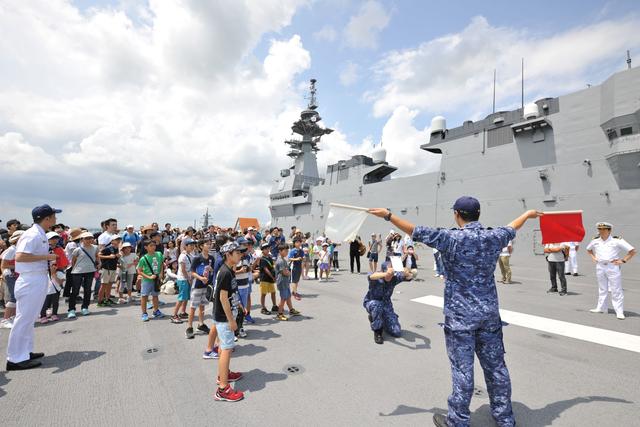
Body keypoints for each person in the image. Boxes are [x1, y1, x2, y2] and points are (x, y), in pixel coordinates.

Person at [369, 197, 541, 427]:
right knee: (497, 368)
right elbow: (512, 227)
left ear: (457, 214)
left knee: (463, 371)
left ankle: (458, 421)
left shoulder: (450, 238)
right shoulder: (494, 236)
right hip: (489, 314)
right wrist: (528, 214)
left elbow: (416, 231)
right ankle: (505, 418)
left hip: (460, 318)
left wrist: (388, 216)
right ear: (478, 214)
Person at [6, 204, 61, 371]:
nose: (55, 218)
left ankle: (25, 352)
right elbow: (20, 257)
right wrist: (47, 256)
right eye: (53, 216)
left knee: (29, 319)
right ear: (46, 218)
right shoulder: (32, 235)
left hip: (35, 278)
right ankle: (15, 358)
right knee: (23, 320)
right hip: (30, 280)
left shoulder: (38, 233)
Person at [213, 242, 245, 402]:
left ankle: (223, 375)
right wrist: (231, 320)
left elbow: (230, 293)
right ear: (228, 254)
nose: (240, 255)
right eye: (237, 253)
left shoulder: (229, 271)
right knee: (226, 349)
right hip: (225, 317)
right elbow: (222, 298)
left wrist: (238, 304)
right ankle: (223, 389)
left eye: (240, 253)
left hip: (225, 315)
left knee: (223, 348)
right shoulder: (225, 272)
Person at [586, 222, 636, 320]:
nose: (601, 231)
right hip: (600, 266)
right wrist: (593, 257)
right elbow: (588, 249)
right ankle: (601, 308)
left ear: (609, 230)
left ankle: (619, 311)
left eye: (604, 229)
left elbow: (632, 251)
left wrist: (623, 260)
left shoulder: (617, 240)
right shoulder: (595, 240)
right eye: (599, 229)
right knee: (602, 288)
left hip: (612, 266)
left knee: (616, 289)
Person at [364, 263, 412, 344]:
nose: (390, 276)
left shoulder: (394, 278)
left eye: (392, 274)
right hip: (372, 302)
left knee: (397, 332)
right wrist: (386, 273)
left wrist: (406, 272)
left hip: (386, 305)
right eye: (388, 274)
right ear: (383, 271)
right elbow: (371, 276)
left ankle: (379, 320)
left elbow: (410, 276)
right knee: (377, 305)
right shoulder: (377, 277)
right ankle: (378, 331)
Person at [185, 240, 213, 339]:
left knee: (202, 306)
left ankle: (201, 324)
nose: (210, 245)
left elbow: (212, 272)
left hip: (206, 286)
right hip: (197, 285)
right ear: (201, 246)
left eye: (210, 244)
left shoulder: (211, 258)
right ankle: (189, 327)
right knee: (193, 307)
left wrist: (211, 270)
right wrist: (201, 278)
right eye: (207, 244)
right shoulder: (197, 258)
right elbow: (192, 272)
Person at [39, 232, 68, 323]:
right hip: (44, 273)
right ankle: (43, 315)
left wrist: (58, 272)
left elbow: (64, 263)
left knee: (56, 295)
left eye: (56, 238)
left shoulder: (59, 249)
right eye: (52, 238)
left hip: (57, 272)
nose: (54, 240)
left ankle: (54, 313)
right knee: (44, 297)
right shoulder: (42, 249)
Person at [69, 231, 99, 318]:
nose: (89, 240)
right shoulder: (77, 250)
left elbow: (97, 256)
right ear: (82, 239)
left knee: (88, 290)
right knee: (75, 290)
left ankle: (85, 307)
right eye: (87, 238)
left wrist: (99, 263)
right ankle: (71, 309)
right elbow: (73, 261)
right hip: (77, 272)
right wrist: (74, 269)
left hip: (90, 271)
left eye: (91, 238)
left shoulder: (95, 247)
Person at [1, 230, 25, 329]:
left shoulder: (17, 249)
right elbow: (4, 264)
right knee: (13, 296)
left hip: (14, 274)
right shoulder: (12, 249)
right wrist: (18, 266)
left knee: (17, 296)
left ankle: (12, 317)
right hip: (10, 275)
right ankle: (5, 319)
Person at [137, 240, 165, 322]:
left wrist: (161, 274)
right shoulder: (143, 258)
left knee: (155, 295)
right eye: (151, 245)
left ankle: (156, 311)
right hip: (146, 280)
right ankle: (144, 313)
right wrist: (148, 277)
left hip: (156, 279)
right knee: (144, 296)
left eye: (154, 245)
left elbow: (162, 264)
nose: (153, 247)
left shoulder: (159, 254)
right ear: (146, 247)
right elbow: (139, 271)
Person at [171, 238, 195, 324]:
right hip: (183, 279)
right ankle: (174, 315)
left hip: (187, 279)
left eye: (193, 245)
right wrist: (189, 279)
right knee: (181, 298)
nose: (192, 247)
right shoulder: (183, 256)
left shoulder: (190, 255)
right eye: (190, 245)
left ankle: (183, 312)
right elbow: (183, 269)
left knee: (185, 297)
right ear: (185, 246)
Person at [275, 244, 301, 321]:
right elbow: (285, 272)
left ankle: (291, 310)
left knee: (288, 296)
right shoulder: (280, 261)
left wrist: (288, 272)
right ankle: (279, 314)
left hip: (285, 282)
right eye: (285, 251)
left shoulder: (283, 259)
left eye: (287, 251)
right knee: (283, 298)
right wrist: (289, 273)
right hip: (282, 282)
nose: (287, 252)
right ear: (280, 251)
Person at [98, 235, 121, 306]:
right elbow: (99, 255)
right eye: (116, 239)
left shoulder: (116, 248)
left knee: (110, 284)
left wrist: (117, 257)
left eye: (119, 239)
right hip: (106, 269)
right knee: (104, 285)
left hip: (113, 268)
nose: (118, 240)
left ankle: (107, 299)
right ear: (112, 241)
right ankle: (100, 301)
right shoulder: (108, 248)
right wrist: (109, 256)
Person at [258, 243, 278, 315]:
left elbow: (272, 267)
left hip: (270, 278)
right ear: (262, 250)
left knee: (273, 292)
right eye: (265, 249)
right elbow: (266, 269)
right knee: (263, 294)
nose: (267, 250)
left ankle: (274, 306)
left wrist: (274, 275)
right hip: (264, 278)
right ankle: (263, 308)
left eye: (268, 248)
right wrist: (273, 277)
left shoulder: (269, 257)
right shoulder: (262, 259)